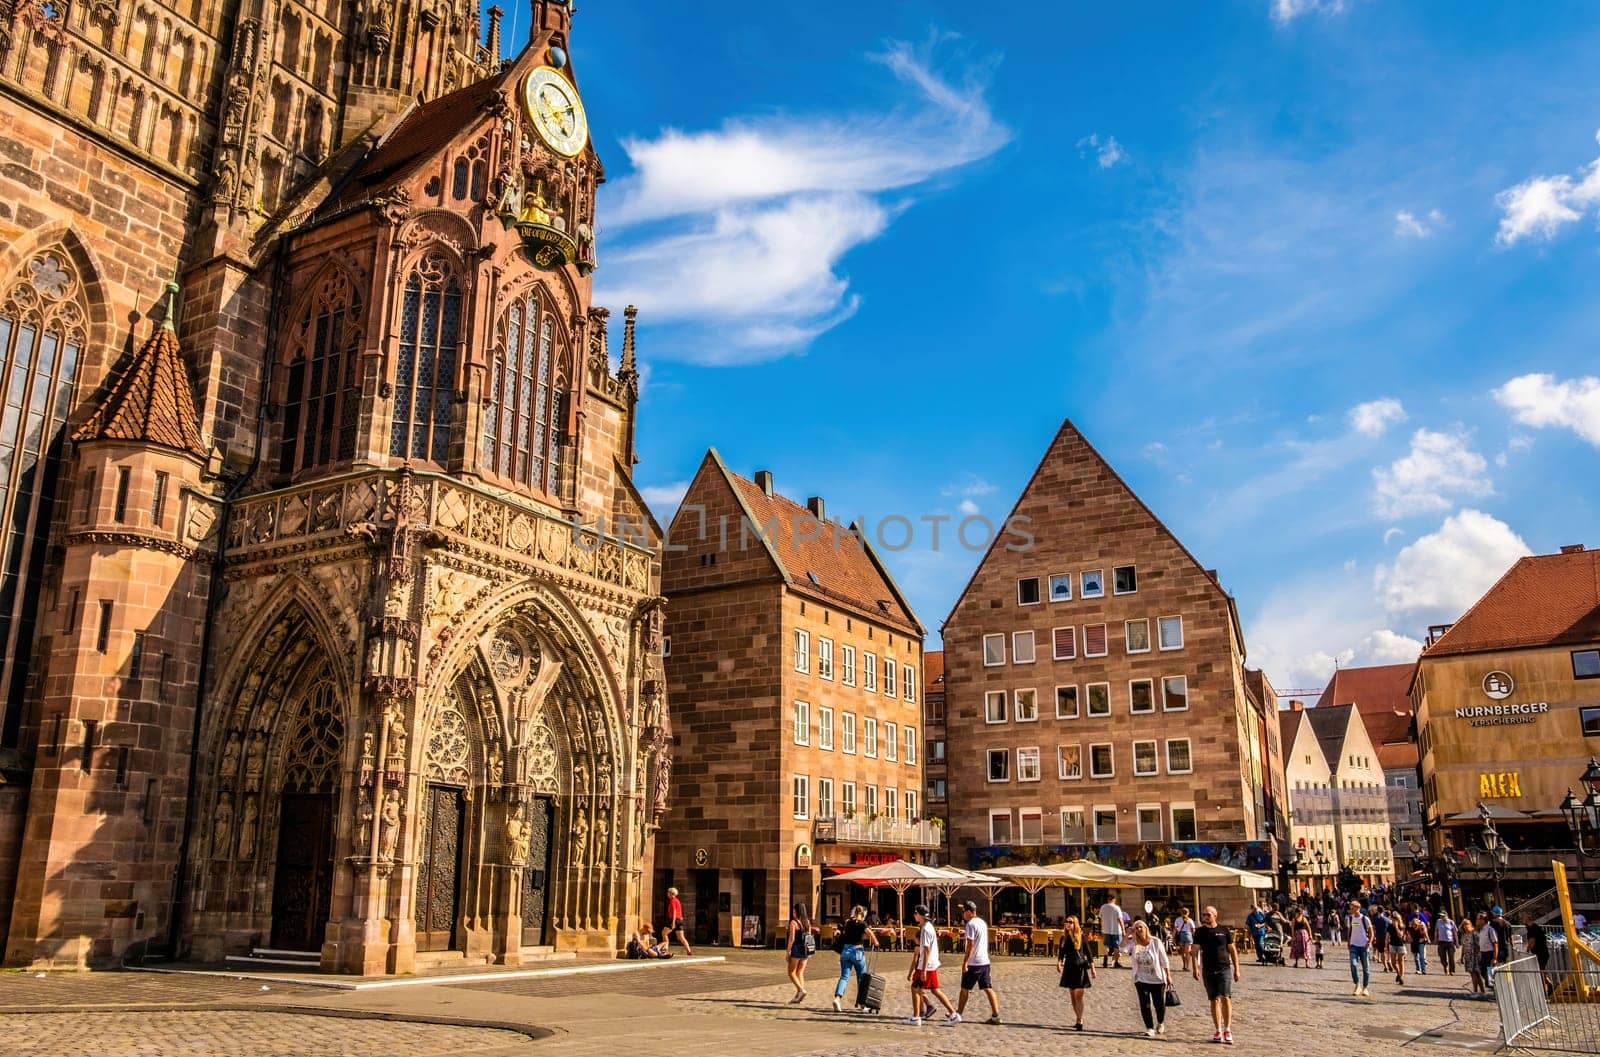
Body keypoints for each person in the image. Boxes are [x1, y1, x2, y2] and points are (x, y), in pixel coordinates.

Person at [1193, 905, 1241, 1045]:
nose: (1205, 917)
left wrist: (1237, 969)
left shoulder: (1223, 930)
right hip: (1208, 969)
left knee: (1226, 997)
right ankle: (1218, 1029)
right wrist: (1195, 967)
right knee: (1214, 1000)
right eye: (1204, 915)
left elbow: (1232, 950)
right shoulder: (1200, 932)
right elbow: (1194, 951)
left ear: (1215, 915)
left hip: (1224, 968)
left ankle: (1227, 1029)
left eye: (1208, 915)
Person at [905, 904, 958, 1026]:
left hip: (926, 964)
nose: (914, 916)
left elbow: (927, 949)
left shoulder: (926, 929)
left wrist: (923, 969)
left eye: (915, 914)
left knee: (916, 988)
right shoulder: (927, 927)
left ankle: (916, 1017)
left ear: (919, 915)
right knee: (933, 990)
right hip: (930, 963)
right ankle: (953, 1013)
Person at [955, 901, 1001, 1025]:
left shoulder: (970, 924)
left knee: (964, 989)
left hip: (974, 962)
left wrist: (965, 962)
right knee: (988, 988)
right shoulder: (982, 922)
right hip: (984, 961)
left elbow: (970, 944)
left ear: (969, 912)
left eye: (964, 911)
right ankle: (996, 1015)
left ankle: (958, 1013)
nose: (963, 913)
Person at [1129, 919, 1174, 1038]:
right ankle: (1149, 1027)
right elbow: (1122, 948)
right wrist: (1127, 934)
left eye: (1140, 927)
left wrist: (1168, 975)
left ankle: (1160, 1021)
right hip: (1141, 978)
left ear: (1145, 929)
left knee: (1159, 1004)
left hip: (1157, 978)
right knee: (1145, 1004)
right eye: (1136, 928)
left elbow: (1164, 960)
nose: (1138, 930)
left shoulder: (1155, 942)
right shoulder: (1134, 944)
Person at [832, 905, 880, 1012]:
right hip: (857, 951)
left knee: (844, 977)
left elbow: (843, 933)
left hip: (845, 951)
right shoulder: (862, 924)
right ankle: (863, 1004)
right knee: (861, 978)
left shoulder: (848, 922)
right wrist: (876, 942)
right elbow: (870, 933)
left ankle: (837, 999)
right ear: (863, 914)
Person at [1056, 914, 1097, 1031]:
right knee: (1072, 995)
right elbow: (1061, 953)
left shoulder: (1081, 936)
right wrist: (1059, 962)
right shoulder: (1063, 938)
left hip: (1080, 968)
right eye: (1066, 922)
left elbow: (1089, 953)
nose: (1067, 924)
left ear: (1075, 924)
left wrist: (1093, 969)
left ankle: (1080, 1020)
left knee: (1079, 994)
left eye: (1070, 922)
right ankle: (1078, 1018)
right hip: (1069, 967)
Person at [785, 901, 814, 1003]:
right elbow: (809, 937)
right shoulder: (807, 922)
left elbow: (791, 938)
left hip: (797, 948)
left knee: (791, 972)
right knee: (800, 972)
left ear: (796, 911)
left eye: (794, 910)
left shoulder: (794, 922)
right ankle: (799, 993)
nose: (793, 912)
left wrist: (788, 951)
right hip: (805, 949)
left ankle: (801, 990)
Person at [1346, 900, 1374, 996]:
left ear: (1358, 908)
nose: (1351, 909)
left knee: (1366, 968)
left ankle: (1365, 987)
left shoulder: (1365, 919)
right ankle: (1357, 985)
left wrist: (1369, 942)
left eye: (1352, 908)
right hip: (1354, 945)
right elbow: (1350, 930)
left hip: (1363, 946)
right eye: (1351, 908)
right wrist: (1348, 941)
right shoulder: (1350, 918)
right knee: (1353, 965)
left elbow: (1371, 932)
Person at [665, 887, 693, 956]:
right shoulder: (677, 900)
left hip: (675, 920)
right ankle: (688, 951)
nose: (667, 894)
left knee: (664, 933)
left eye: (668, 892)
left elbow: (674, 911)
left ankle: (664, 950)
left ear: (671, 893)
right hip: (680, 920)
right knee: (681, 937)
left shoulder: (673, 901)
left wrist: (673, 922)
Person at [1099, 896, 1125, 969]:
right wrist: (1123, 929)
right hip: (1116, 930)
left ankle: (1105, 961)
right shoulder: (1116, 908)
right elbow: (1120, 919)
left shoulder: (1103, 907)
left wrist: (1102, 927)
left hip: (1106, 930)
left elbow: (1100, 918)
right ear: (1114, 900)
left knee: (1106, 945)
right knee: (1116, 947)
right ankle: (1116, 962)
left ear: (1108, 899)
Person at [1174, 908, 1196, 973]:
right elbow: (1193, 930)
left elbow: (1175, 929)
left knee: (1182, 952)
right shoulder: (1190, 920)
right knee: (1187, 952)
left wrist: (1173, 937)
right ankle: (1187, 966)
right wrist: (1195, 938)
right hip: (1188, 935)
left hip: (1181, 935)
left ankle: (1184, 965)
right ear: (1188, 913)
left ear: (1181, 913)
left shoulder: (1177, 919)